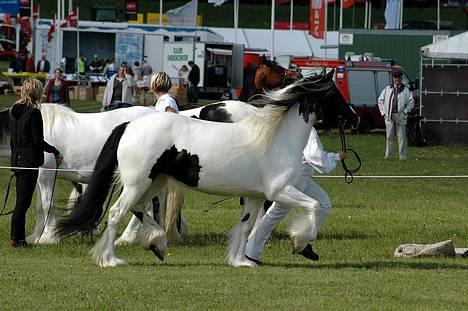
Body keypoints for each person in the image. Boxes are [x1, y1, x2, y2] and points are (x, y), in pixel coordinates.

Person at [244, 128, 346, 264]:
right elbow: (314, 156)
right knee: (276, 213)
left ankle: (302, 241)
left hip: (302, 178)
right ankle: (250, 252)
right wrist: (336, 157)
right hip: (295, 181)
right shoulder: (308, 130)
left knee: (324, 204)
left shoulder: (297, 126)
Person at [9, 78, 63, 248]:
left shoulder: (13, 111)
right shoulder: (34, 113)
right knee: (23, 204)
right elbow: (37, 141)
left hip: (17, 160)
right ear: (37, 92)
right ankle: (18, 239)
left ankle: (16, 238)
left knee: (21, 202)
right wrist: (55, 151)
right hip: (29, 162)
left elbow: (13, 141)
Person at [377, 70, 415, 160]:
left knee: (401, 137)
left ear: (401, 79)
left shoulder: (406, 90)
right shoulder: (387, 89)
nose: (396, 80)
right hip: (389, 116)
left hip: (400, 116)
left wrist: (405, 112)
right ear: (393, 79)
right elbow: (380, 101)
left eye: (398, 78)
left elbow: (411, 103)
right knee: (389, 137)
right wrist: (383, 113)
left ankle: (402, 157)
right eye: (395, 78)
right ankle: (388, 156)